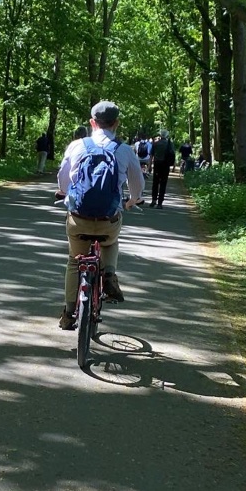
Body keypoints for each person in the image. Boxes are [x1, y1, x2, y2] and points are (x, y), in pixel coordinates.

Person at [56, 100, 144, 330]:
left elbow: (63, 178)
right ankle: (110, 274)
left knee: (74, 262)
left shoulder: (77, 146)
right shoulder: (125, 150)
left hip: (79, 219)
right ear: (116, 123)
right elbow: (137, 183)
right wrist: (132, 200)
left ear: (92, 123)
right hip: (108, 221)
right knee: (111, 241)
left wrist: (65, 192)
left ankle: (68, 313)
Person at [150, 129, 176, 208]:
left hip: (157, 165)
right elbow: (173, 155)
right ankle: (160, 203)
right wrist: (173, 166)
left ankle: (154, 200)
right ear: (167, 135)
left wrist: (150, 166)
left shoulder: (156, 144)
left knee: (155, 183)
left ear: (160, 135)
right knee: (163, 183)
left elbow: (151, 156)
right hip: (166, 165)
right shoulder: (170, 144)